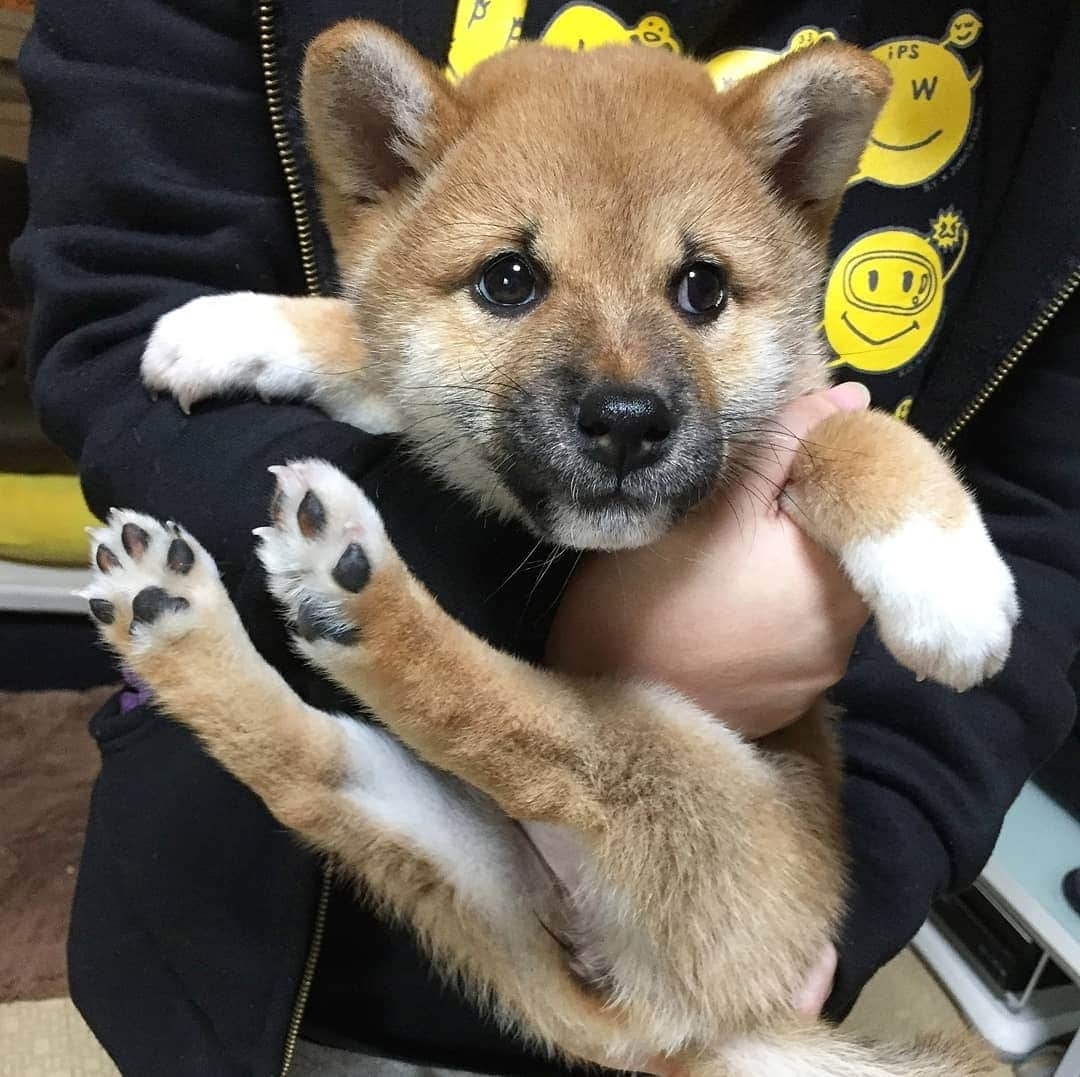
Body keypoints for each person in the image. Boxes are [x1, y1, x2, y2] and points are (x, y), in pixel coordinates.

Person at [14, 1, 1079, 1074]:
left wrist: (873, 857)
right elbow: (156, 330)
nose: (625, 389)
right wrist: (315, 338)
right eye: (513, 281)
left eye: (699, 287)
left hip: (719, 891)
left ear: (802, 191)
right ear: (377, 174)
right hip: (255, 966)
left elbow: (889, 459)